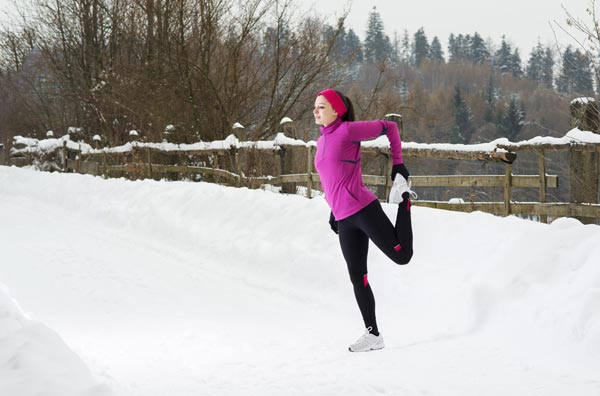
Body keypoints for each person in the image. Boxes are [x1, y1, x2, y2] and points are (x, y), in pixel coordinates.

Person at [313, 88, 415, 352]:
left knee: (402, 256)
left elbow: (389, 127)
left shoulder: (347, 131)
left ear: (337, 111)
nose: (316, 110)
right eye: (315, 106)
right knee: (358, 277)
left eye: (321, 106)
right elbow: (331, 180)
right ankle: (373, 335)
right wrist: (332, 209)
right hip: (344, 218)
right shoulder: (321, 141)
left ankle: (405, 197)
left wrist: (398, 165)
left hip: (362, 208)